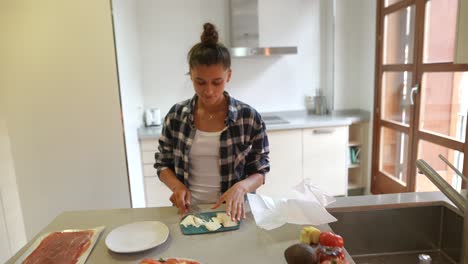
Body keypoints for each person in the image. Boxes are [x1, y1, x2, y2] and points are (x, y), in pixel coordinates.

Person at [154, 22, 270, 222]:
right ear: (190, 75)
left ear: (229, 75)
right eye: (200, 82)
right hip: (190, 213)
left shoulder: (249, 118)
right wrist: (177, 186)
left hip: (235, 213)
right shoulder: (176, 116)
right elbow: (162, 163)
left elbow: (260, 170)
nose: (208, 91)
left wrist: (242, 187)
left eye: (217, 82)